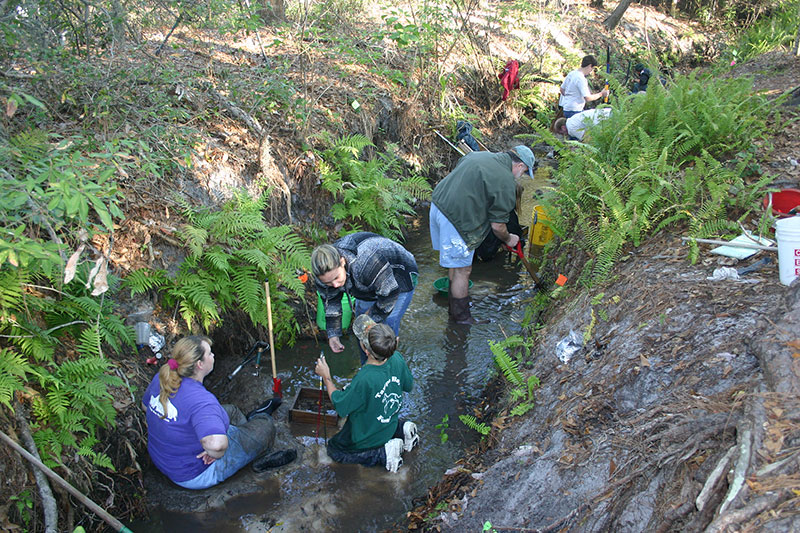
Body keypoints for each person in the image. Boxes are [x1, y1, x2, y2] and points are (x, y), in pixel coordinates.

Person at [142, 336, 293, 490]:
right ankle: (255, 431)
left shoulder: (164, 378)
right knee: (265, 426)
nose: (213, 356)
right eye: (210, 353)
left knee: (232, 411)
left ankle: (245, 434)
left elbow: (146, 407)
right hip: (193, 474)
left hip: (163, 459)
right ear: (200, 364)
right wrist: (214, 453)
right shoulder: (202, 401)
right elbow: (216, 445)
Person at [429, 146, 534, 324]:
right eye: (524, 172)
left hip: (437, 206)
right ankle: (462, 319)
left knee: (455, 265)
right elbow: (498, 226)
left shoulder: (479, 156)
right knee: (464, 270)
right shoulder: (506, 181)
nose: (521, 176)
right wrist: (509, 239)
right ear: (520, 165)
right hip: (456, 219)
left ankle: (453, 310)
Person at [314, 315, 418, 473]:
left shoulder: (364, 378)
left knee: (335, 450)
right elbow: (408, 385)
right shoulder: (397, 358)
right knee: (382, 416)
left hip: (368, 437)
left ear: (365, 348)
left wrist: (326, 376)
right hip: (388, 423)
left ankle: (383, 454)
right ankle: (402, 430)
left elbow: (339, 405)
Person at [312, 232, 418, 365]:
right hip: (368, 283)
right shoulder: (323, 275)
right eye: (328, 283)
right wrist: (333, 334)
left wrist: (371, 317)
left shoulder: (364, 263)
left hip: (400, 276)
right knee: (362, 328)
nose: (335, 285)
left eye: (336, 278)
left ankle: (389, 368)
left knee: (386, 326)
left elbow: (390, 294)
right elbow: (331, 302)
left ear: (342, 262)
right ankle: (366, 368)